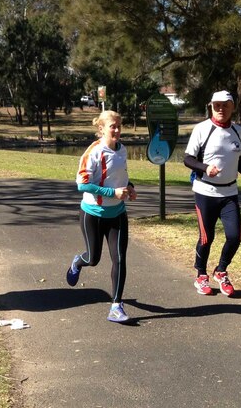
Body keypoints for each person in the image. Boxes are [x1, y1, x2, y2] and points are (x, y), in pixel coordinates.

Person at [183, 90, 241, 296]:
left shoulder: (237, 131)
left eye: (225, 105)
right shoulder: (202, 129)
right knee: (206, 238)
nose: (221, 109)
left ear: (233, 107)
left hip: (229, 193)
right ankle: (201, 275)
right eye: (217, 105)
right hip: (205, 191)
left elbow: (237, 159)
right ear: (211, 106)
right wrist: (205, 168)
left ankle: (221, 270)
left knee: (235, 236)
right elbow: (188, 159)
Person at [65, 110, 137, 323]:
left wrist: (129, 188)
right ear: (101, 129)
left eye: (118, 126)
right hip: (93, 214)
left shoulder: (122, 150)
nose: (116, 130)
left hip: (118, 214)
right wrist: (111, 193)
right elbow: (82, 184)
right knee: (93, 258)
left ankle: (116, 306)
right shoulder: (93, 152)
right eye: (112, 126)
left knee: (120, 258)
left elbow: (120, 177)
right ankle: (78, 262)